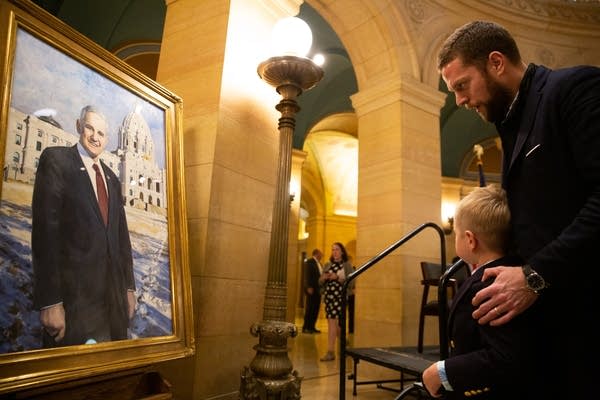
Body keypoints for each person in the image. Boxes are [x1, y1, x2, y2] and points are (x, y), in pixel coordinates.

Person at [437, 20, 600, 396]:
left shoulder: (573, 89)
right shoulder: (510, 122)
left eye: (462, 85)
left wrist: (534, 276)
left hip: (588, 318)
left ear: (496, 63)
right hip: (549, 332)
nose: (459, 100)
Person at [422, 185, 545, 399]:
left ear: (470, 240)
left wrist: (442, 373)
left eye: (457, 234)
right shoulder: (511, 271)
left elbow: (504, 357)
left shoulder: (490, 286)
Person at [31, 105, 136, 347]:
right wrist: (50, 302)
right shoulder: (57, 160)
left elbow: (122, 240)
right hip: (75, 302)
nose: (95, 137)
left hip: (113, 302)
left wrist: (129, 288)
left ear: (107, 138)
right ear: (79, 126)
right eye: (89, 128)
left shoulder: (111, 176)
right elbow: (45, 234)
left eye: (101, 133)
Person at [318, 242, 354, 362]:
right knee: (333, 324)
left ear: (342, 252)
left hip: (340, 297)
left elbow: (352, 283)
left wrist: (337, 278)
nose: (334, 252)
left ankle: (330, 352)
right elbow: (320, 282)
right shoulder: (328, 264)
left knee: (333, 323)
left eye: (337, 249)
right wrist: (323, 278)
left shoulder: (347, 265)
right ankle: (344, 342)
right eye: (333, 250)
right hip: (329, 297)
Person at [302, 248, 323, 334]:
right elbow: (307, 275)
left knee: (315, 309)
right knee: (310, 308)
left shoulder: (320, 264)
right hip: (311, 289)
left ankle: (312, 327)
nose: (322, 256)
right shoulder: (309, 262)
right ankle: (306, 327)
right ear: (316, 254)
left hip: (318, 290)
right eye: (321, 254)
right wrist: (308, 286)